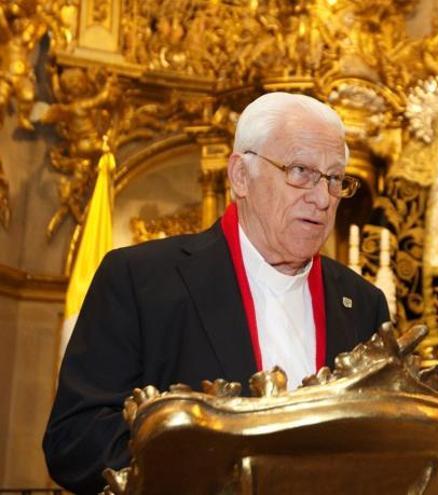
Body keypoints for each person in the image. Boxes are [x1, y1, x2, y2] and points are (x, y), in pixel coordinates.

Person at [43, 93, 390, 494]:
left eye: (334, 179)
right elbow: (75, 441)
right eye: (301, 171)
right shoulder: (140, 280)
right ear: (241, 175)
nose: (323, 197)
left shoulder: (362, 303)